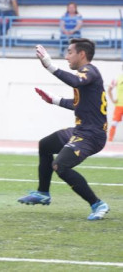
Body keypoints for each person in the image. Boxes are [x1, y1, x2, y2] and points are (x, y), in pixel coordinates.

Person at [18, 40, 110, 221]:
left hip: (92, 136)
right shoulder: (86, 77)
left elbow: (75, 81)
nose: (66, 56)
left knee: (60, 166)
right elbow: (78, 105)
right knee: (45, 145)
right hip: (81, 130)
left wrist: (50, 66)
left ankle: (97, 203)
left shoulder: (89, 71)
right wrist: (54, 100)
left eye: (70, 52)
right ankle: (43, 193)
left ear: (81, 54)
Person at [107, 67, 123, 141]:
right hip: (119, 105)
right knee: (114, 123)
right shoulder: (117, 78)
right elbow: (109, 89)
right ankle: (110, 139)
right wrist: (113, 100)